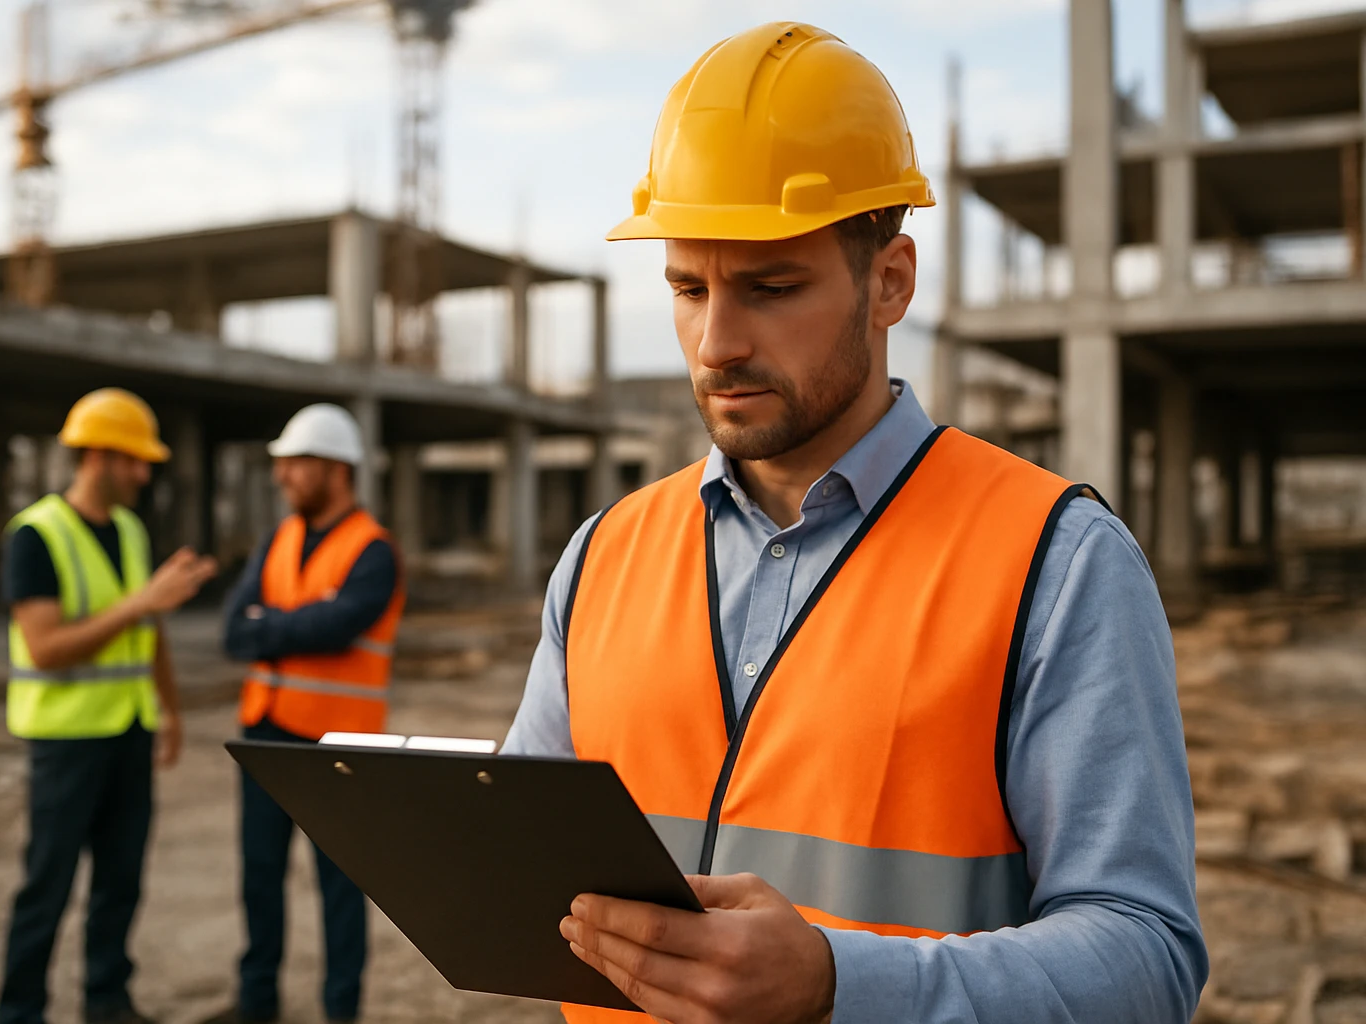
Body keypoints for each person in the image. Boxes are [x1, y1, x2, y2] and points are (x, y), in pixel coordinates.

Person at [502, 22, 1209, 1024]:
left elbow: (1146, 959)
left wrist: (841, 982)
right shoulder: (603, 555)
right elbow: (526, 870)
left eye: (771, 288)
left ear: (890, 281)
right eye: (688, 288)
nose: (717, 343)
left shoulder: (1055, 563)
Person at [0, 387, 219, 1024]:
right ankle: (18, 1012)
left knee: (120, 884)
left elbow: (149, 632)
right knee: (48, 886)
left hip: (127, 730)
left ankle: (107, 1001)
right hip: (65, 742)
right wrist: (141, 603)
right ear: (96, 456)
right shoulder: (35, 537)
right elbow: (45, 648)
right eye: (133, 461)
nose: (144, 475)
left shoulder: (128, 530)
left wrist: (170, 710)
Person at [203, 403, 405, 1024]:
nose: (281, 476)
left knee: (339, 892)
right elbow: (234, 632)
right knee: (259, 879)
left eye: (295, 464)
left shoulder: (374, 552)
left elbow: (340, 627)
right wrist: (293, 624)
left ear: (336, 470)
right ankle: (256, 1003)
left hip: (339, 747)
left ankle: (340, 1013)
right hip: (265, 733)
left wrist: (276, 622)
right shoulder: (278, 540)